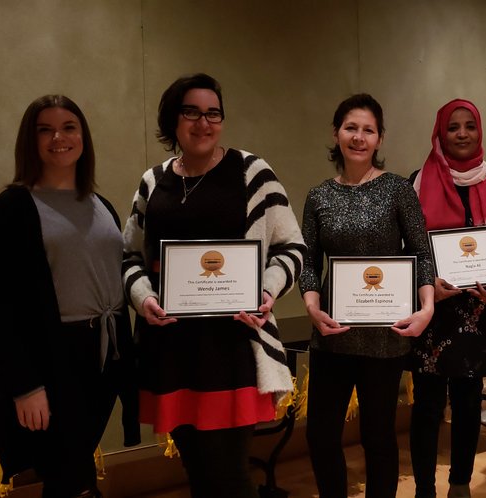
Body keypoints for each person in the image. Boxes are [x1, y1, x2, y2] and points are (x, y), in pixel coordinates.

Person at [121, 73, 304, 498]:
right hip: (170, 348)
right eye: (192, 112)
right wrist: (143, 297)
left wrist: (267, 291)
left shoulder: (252, 173)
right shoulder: (153, 182)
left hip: (232, 347)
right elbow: (129, 255)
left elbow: (292, 246)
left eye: (213, 114)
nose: (203, 123)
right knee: (198, 472)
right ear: (174, 119)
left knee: (230, 475)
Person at [0, 95, 139, 498]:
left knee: (76, 465)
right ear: (29, 141)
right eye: (44, 129)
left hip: (104, 354)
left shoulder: (101, 205)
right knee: (66, 472)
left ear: (83, 137)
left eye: (69, 127)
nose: (58, 137)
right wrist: (25, 386)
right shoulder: (11, 208)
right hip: (53, 359)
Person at [300, 93, 435, 498]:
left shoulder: (397, 189)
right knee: (321, 437)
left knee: (378, 438)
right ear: (337, 133)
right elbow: (307, 261)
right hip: (333, 334)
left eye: (368, 130)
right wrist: (311, 307)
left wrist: (427, 306)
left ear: (379, 139)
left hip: (385, 336)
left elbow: (420, 251)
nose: (359, 137)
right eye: (351, 128)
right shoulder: (319, 195)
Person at [407, 99, 486, 498]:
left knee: (469, 403)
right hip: (432, 313)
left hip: (477, 312)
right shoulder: (417, 181)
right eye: (453, 127)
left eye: (470, 125)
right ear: (440, 132)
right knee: (428, 406)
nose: (463, 133)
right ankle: (423, 489)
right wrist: (426, 285)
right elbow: (407, 248)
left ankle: (460, 484)